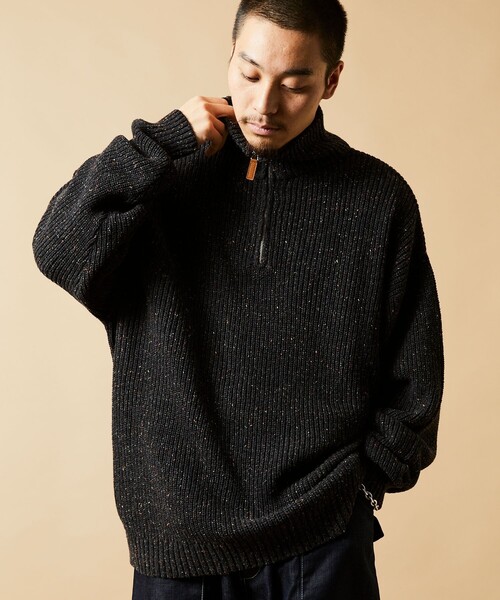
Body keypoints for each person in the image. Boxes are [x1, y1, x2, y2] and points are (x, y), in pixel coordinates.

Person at [32, 0, 445, 598]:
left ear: (331, 80)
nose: (265, 104)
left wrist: (358, 491)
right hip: (177, 543)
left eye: (295, 84)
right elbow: (58, 247)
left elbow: (415, 374)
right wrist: (161, 143)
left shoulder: (378, 199)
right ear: (230, 58)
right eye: (250, 74)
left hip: (323, 538)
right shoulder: (165, 180)